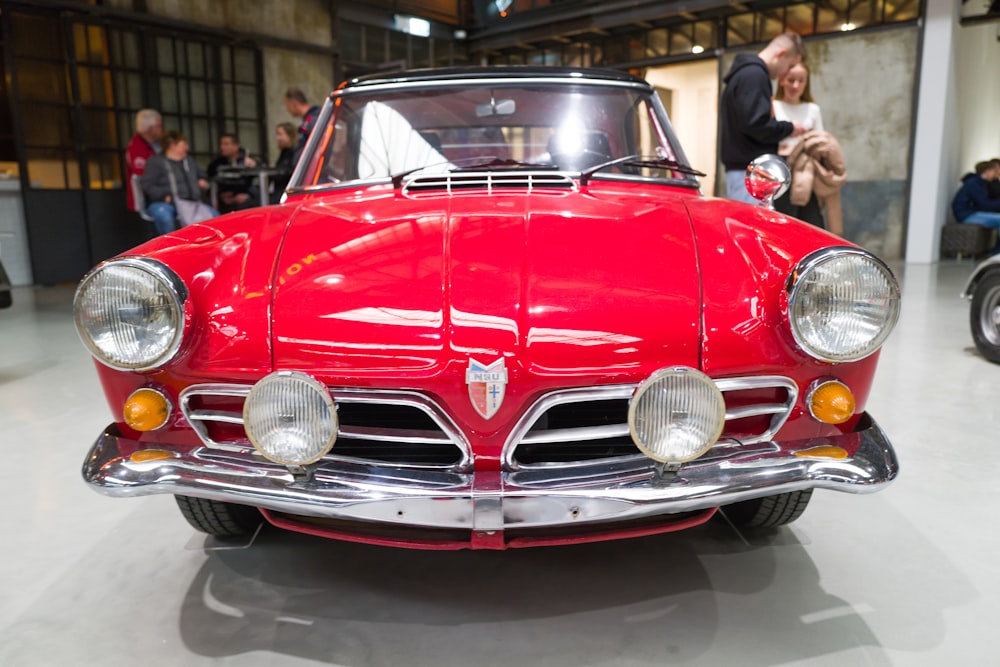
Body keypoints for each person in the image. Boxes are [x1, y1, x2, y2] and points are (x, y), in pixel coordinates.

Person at [719, 32, 807, 204]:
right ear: (780, 54)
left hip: (743, 171)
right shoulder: (754, 75)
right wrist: (789, 128)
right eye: (790, 66)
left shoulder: (745, 74)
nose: (786, 74)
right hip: (750, 173)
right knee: (749, 228)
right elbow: (756, 124)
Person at [773, 62, 826, 228]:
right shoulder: (773, 105)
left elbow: (820, 141)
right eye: (791, 80)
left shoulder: (813, 109)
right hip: (779, 170)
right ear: (782, 81)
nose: (795, 85)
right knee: (782, 222)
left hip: (805, 171)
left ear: (806, 82)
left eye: (801, 80)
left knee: (810, 223)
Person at [141, 130, 218, 235]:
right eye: (184, 144)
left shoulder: (188, 161)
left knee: (216, 217)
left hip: (191, 202)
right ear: (173, 146)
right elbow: (147, 185)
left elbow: (201, 174)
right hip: (165, 202)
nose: (187, 147)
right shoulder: (156, 162)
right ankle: (169, 248)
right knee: (164, 217)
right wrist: (164, 196)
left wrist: (202, 180)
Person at [952, 161, 1000, 250]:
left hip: (971, 213)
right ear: (987, 171)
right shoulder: (974, 184)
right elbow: (986, 205)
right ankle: (997, 252)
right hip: (967, 216)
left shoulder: (979, 183)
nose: (995, 174)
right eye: (994, 171)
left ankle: (996, 251)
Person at [206, 133, 258, 212]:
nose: (222, 147)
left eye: (226, 144)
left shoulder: (248, 161)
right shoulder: (216, 163)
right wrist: (222, 194)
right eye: (221, 144)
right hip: (223, 200)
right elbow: (211, 180)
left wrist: (247, 194)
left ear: (236, 146)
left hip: (245, 197)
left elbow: (256, 182)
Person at [125, 109, 162, 212]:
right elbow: (141, 177)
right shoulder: (137, 147)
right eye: (158, 126)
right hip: (146, 200)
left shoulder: (154, 146)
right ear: (149, 128)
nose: (161, 129)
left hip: (159, 196)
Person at [284, 87, 321, 161]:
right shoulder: (306, 120)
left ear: (294, 103)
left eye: (287, 105)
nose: (287, 109)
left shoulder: (313, 118)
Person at [270, 122, 297, 203]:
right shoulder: (284, 152)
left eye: (280, 134)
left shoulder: (294, 153)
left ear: (289, 136)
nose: (277, 138)